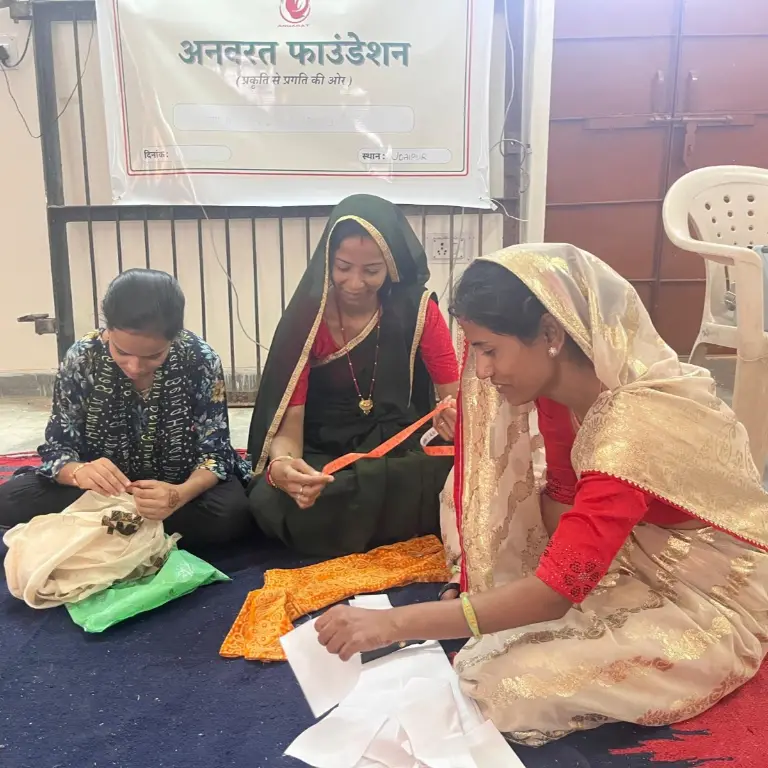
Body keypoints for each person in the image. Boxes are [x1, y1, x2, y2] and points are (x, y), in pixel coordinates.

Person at [315, 243, 768, 745]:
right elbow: (561, 509)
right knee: (457, 496)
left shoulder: (632, 429)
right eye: (475, 351)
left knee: (500, 683)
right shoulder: (557, 397)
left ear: (551, 334)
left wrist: (393, 625)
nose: (481, 371)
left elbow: (553, 596)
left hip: (707, 585)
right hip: (625, 547)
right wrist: (551, 571)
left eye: (489, 349)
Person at [247, 194, 459, 557]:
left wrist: (453, 415)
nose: (355, 282)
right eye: (343, 266)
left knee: (452, 474)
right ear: (327, 260)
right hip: (324, 449)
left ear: (392, 266)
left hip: (396, 447)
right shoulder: (306, 321)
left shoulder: (420, 310)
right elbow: (289, 429)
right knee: (275, 498)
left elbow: (454, 395)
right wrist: (285, 469)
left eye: (371, 270)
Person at [0, 269, 254, 551]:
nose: (135, 367)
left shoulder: (199, 358)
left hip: (175, 486)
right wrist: (78, 472)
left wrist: (179, 495)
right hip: (98, 491)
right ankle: (140, 529)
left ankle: (106, 529)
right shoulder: (83, 357)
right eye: (122, 352)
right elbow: (59, 447)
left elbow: (215, 452)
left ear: (174, 337)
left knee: (231, 515)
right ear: (108, 330)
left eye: (153, 356)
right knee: (10, 500)